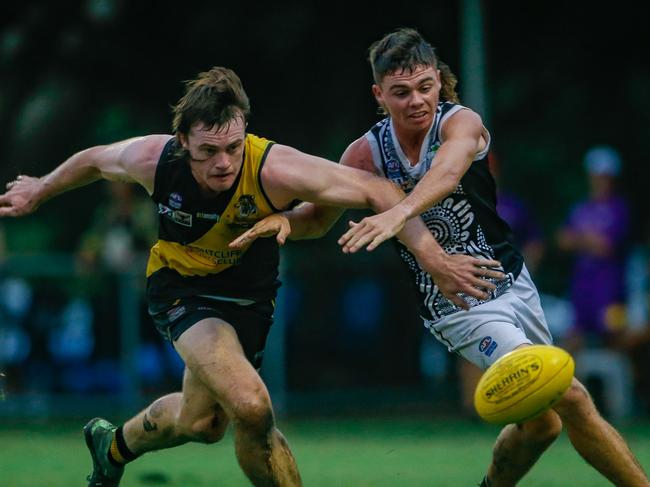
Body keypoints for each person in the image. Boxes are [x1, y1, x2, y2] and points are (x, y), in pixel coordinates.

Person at [0, 66, 502, 487]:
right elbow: (93, 160)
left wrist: (434, 260)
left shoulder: (276, 168)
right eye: (208, 152)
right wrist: (40, 188)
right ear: (183, 141)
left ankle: (112, 447)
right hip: (183, 292)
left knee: (203, 422)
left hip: (251, 300)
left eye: (233, 148)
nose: (223, 163)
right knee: (252, 405)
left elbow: (380, 191)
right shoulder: (154, 159)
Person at [233, 29, 649, 486]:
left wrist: (398, 211)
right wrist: (289, 222)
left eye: (425, 87)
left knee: (542, 424)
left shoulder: (460, 123)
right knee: (570, 396)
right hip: (454, 305)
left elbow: (448, 173)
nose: (417, 101)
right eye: (401, 92)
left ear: (438, 82)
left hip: (512, 281)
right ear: (379, 94)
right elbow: (318, 217)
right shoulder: (365, 154)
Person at [557, 145, 634, 420]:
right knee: (572, 340)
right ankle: (573, 410)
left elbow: (605, 246)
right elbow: (563, 240)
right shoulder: (582, 207)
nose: (599, 179)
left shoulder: (619, 208)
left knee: (615, 341)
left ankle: (623, 409)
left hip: (610, 290)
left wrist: (582, 238)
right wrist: (586, 239)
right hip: (583, 288)